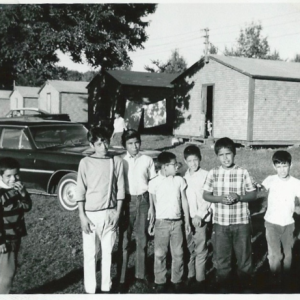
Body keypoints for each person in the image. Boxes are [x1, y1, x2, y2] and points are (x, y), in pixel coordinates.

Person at [203, 137, 257, 293]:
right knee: (222, 260)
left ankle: (245, 289)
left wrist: (239, 197)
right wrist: (220, 198)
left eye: (228, 154)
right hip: (220, 224)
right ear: (217, 156)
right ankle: (224, 289)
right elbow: (206, 195)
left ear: (234, 154)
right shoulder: (213, 173)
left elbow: (253, 195)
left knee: (244, 259)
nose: (225, 158)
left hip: (241, 223)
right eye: (221, 155)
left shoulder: (242, 172)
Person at [76, 126, 125, 293]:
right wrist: (82, 216)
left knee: (108, 253)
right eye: (98, 144)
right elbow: (80, 190)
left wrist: (117, 213)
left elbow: (120, 189)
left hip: (110, 213)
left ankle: (106, 287)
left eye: (105, 142)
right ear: (91, 145)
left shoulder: (116, 161)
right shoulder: (85, 162)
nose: (103, 147)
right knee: (90, 254)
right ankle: (90, 289)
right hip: (90, 216)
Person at [117, 129, 156, 292]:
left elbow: (153, 184)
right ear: (124, 145)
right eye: (130, 143)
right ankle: (121, 278)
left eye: (137, 142)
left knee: (142, 239)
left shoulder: (147, 160)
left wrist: (153, 207)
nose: (134, 146)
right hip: (126, 202)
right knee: (125, 241)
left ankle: (140, 275)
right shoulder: (120, 161)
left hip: (144, 201)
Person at [148, 151, 191, 293]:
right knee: (160, 254)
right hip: (161, 224)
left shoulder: (179, 180)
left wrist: (187, 221)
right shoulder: (154, 182)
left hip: (177, 223)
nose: (177, 166)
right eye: (174, 164)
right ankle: (160, 280)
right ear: (165, 167)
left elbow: (184, 201)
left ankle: (176, 280)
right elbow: (153, 205)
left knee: (178, 253)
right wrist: (152, 222)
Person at [260, 150, 300, 290]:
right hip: (271, 223)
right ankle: (275, 281)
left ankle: (287, 281)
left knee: (288, 255)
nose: (282, 170)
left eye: (285, 166)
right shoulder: (270, 179)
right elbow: (257, 189)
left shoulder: (296, 183)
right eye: (279, 166)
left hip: (288, 224)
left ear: (291, 165)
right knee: (275, 255)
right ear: (273, 166)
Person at [0, 157, 32, 294]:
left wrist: (24, 194)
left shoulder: (18, 189)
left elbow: (26, 207)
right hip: (6, 239)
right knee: (8, 273)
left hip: (15, 235)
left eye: (16, 174)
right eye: (8, 176)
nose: (13, 179)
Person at [183, 145, 211, 292]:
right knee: (189, 248)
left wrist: (200, 214)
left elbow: (208, 198)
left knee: (200, 248)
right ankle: (190, 275)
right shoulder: (184, 177)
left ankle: (200, 279)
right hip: (188, 218)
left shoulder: (206, 175)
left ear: (200, 159)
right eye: (189, 161)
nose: (193, 163)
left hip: (201, 217)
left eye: (195, 160)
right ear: (185, 161)